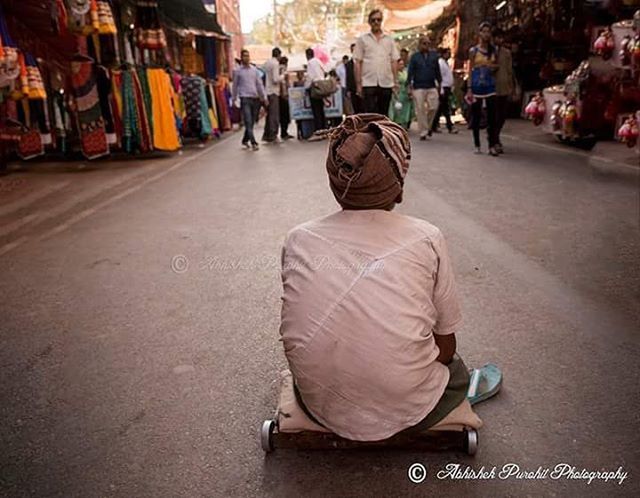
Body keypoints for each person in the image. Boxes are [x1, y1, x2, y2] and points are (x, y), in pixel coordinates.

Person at [279, 114, 471, 442]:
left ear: (335, 182)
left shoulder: (298, 239)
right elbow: (446, 344)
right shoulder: (427, 237)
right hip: (407, 400)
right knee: (457, 373)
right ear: (397, 186)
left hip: (319, 399)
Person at [354, 9, 399, 115]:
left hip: (386, 82)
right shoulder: (362, 40)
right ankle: (372, 132)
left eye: (378, 20)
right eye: (373, 20)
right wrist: (358, 85)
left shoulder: (389, 40)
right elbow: (357, 63)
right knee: (370, 114)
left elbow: (394, 61)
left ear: (381, 21)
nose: (376, 22)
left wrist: (395, 82)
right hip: (368, 82)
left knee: (384, 114)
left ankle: (382, 132)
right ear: (369, 22)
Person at [467, 22, 499, 156]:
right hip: (476, 86)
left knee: (492, 117)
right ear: (479, 33)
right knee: (476, 116)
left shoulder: (494, 50)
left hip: (490, 86)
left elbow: (497, 66)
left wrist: (493, 68)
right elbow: (469, 70)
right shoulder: (473, 51)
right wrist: (469, 88)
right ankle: (477, 144)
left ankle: (492, 144)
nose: (486, 34)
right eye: (483, 31)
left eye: (488, 32)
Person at [232, 49, 267, 151]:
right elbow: (235, 86)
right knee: (248, 120)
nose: (246, 58)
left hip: (255, 99)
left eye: (248, 56)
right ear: (241, 58)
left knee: (251, 122)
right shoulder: (238, 71)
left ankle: (245, 139)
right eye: (244, 56)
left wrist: (263, 97)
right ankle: (253, 142)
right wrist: (234, 99)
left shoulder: (254, 70)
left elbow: (259, 84)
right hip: (244, 98)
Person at [408, 35, 441, 140]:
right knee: (420, 109)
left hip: (431, 85)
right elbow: (410, 72)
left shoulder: (434, 56)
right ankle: (423, 132)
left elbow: (437, 71)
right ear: (420, 44)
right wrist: (409, 86)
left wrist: (440, 84)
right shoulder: (415, 57)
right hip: (418, 86)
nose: (426, 46)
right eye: (424, 43)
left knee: (434, 107)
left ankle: (427, 126)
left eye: (428, 43)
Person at [493, 28, 513, 154]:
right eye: (497, 37)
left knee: (502, 115)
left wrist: (511, 86)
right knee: (493, 116)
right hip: (492, 88)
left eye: (501, 37)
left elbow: (510, 71)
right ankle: (495, 140)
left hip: (504, 87)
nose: (499, 40)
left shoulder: (507, 53)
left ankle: (496, 136)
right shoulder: (488, 52)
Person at [431, 47, 457, 134]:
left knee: (441, 108)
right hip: (443, 88)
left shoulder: (446, 63)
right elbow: (440, 77)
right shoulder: (441, 63)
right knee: (444, 108)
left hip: (447, 88)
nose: (449, 55)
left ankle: (433, 126)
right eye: (447, 53)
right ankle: (449, 126)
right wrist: (441, 89)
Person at [262, 47, 284, 143]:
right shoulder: (275, 64)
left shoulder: (267, 63)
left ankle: (267, 134)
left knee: (269, 114)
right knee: (274, 115)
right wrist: (283, 75)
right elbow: (276, 79)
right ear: (278, 55)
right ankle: (273, 135)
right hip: (274, 91)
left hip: (267, 90)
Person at [304, 47, 326, 133]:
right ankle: (324, 128)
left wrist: (306, 87)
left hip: (314, 87)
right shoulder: (318, 61)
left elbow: (310, 76)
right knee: (321, 108)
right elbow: (324, 71)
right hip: (321, 85)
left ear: (307, 55)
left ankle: (319, 129)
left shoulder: (310, 63)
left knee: (316, 109)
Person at [389, 58, 413, 129]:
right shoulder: (394, 73)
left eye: (402, 64)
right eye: (400, 64)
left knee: (405, 110)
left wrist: (410, 91)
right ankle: (395, 125)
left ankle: (405, 124)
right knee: (396, 109)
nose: (401, 66)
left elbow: (408, 82)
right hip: (397, 92)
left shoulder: (405, 72)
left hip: (404, 92)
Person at [345, 43, 362, 114]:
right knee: (355, 108)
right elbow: (348, 77)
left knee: (364, 108)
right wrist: (348, 89)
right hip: (353, 89)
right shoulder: (348, 64)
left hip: (362, 88)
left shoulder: (363, 62)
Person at [279, 56, 293, 140]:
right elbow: (283, 83)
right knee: (285, 115)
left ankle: (284, 132)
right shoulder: (283, 70)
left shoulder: (279, 68)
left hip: (281, 95)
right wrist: (285, 94)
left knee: (283, 115)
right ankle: (284, 133)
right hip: (283, 95)